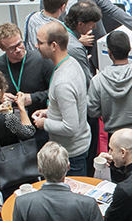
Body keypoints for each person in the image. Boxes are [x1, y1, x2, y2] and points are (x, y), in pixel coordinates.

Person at [31, 20, 93, 174]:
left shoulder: (62, 83)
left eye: (40, 42)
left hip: (71, 153)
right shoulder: (71, 62)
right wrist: (50, 112)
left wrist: (44, 123)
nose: (36, 46)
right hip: (78, 145)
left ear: (54, 45)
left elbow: (70, 127)